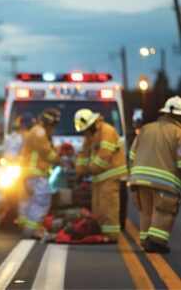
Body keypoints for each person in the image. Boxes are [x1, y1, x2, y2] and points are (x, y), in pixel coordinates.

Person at [129, 96, 181, 254]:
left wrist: (134, 174)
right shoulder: (179, 133)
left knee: (147, 210)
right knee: (164, 211)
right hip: (165, 181)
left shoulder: (146, 128)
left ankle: (145, 240)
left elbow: (132, 154)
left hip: (139, 179)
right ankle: (157, 243)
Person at [74, 109, 127, 243]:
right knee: (97, 208)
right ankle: (100, 233)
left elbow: (104, 155)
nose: (85, 133)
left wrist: (89, 170)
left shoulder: (107, 131)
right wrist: (80, 171)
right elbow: (83, 154)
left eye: (86, 129)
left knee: (108, 208)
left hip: (110, 176)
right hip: (99, 178)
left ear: (92, 124)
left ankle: (112, 236)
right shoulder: (90, 135)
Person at [20, 108, 61, 239]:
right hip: (36, 173)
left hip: (33, 174)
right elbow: (47, 152)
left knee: (34, 202)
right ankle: (32, 231)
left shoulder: (38, 131)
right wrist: (60, 160)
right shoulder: (39, 131)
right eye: (53, 126)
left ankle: (32, 228)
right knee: (41, 202)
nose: (53, 129)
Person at [0, 113, 35, 229]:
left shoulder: (34, 137)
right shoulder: (13, 138)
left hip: (30, 172)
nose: (25, 129)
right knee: (12, 196)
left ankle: (28, 222)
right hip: (16, 171)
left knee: (33, 198)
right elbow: (8, 155)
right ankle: (18, 222)